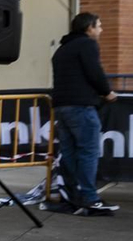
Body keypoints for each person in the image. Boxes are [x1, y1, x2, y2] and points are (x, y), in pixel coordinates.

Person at [50, 12, 119, 215]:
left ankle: (72, 197)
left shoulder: (62, 49)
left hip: (62, 107)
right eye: (98, 26)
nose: (101, 30)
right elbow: (94, 72)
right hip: (81, 107)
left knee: (69, 154)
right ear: (89, 28)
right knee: (88, 152)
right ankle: (90, 198)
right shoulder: (87, 45)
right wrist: (107, 92)